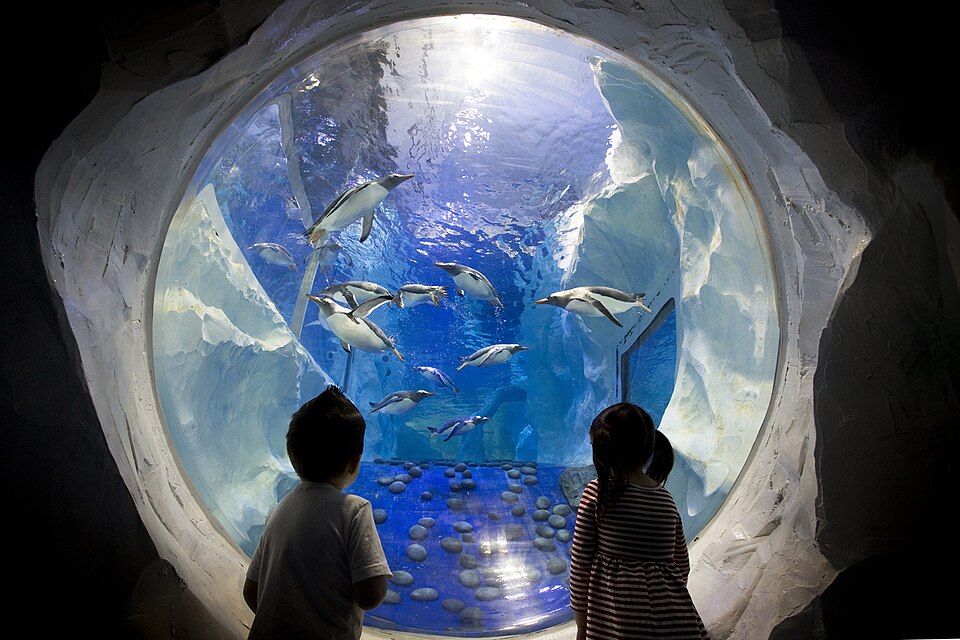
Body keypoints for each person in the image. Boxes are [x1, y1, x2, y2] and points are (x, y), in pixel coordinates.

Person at [243, 385, 392, 640]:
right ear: (354, 463)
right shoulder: (354, 511)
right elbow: (371, 594)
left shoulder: (279, 511)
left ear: (293, 454)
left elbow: (251, 592)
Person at [569, 402, 710, 640]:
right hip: (678, 622)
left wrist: (582, 626)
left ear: (601, 451)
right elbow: (681, 566)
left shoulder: (599, 494)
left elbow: (580, 567)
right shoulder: (665, 498)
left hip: (619, 623)